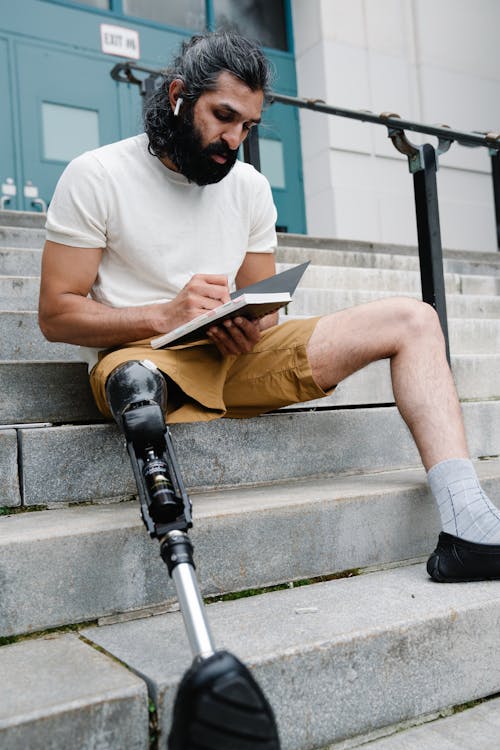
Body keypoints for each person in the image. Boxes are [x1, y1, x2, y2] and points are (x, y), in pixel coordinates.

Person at [39, 31, 500, 582]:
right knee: (132, 378)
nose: (234, 139)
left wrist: (244, 328)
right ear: (178, 96)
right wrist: (165, 315)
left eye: (248, 127)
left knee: (415, 318)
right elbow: (56, 314)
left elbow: (267, 309)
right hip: (142, 360)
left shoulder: (251, 187)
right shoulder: (98, 175)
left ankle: (468, 523)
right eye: (223, 116)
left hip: (230, 361)